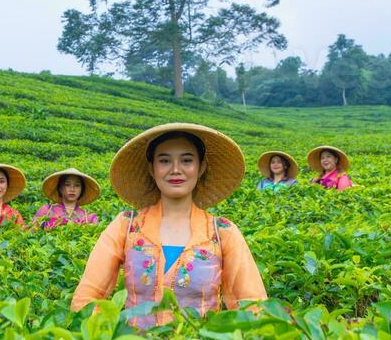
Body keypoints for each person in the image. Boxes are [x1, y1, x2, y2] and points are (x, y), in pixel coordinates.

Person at [71, 122, 267, 328]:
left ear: (201, 167)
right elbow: (86, 298)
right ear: (151, 168)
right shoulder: (126, 226)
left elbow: (252, 307)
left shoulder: (222, 232)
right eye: (164, 160)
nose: (175, 169)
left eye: (186, 160)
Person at [32, 168, 100, 229]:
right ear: (60, 188)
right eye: (67, 184)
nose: (72, 189)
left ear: (82, 190)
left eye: (77, 185)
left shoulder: (89, 217)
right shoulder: (46, 210)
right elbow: (30, 232)